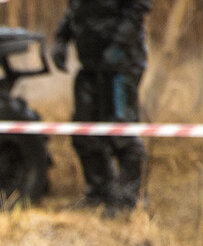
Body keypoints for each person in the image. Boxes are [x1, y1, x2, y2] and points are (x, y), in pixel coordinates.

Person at [51, 0, 152, 214]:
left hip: (123, 64)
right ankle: (99, 192)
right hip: (90, 65)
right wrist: (61, 38)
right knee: (83, 131)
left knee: (121, 130)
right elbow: (75, 10)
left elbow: (137, 10)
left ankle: (129, 198)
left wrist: (119, 45)